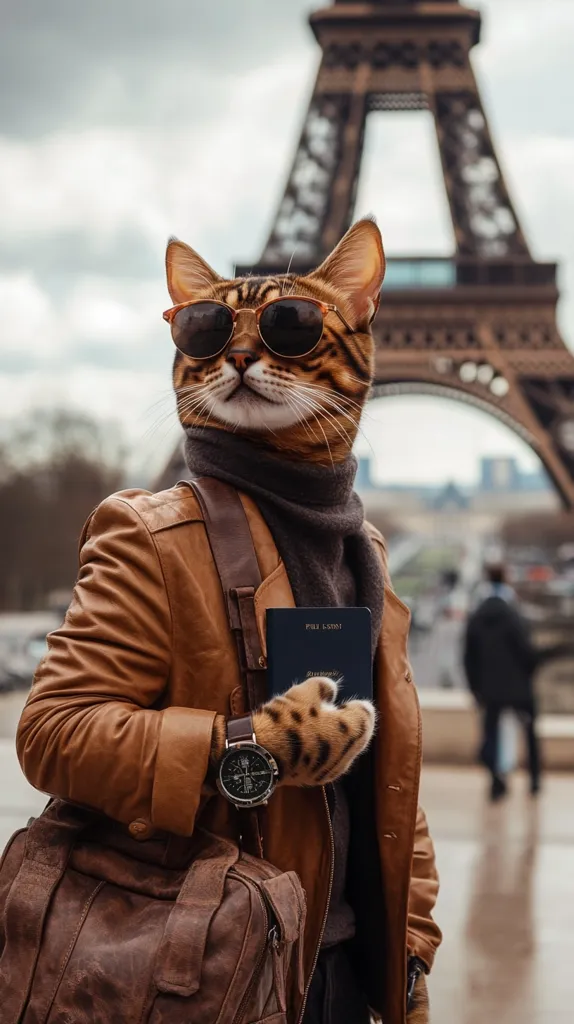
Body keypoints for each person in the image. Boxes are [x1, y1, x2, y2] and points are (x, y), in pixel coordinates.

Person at [16, 220, 441, 1022]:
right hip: (205, 971)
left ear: (360, 315)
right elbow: (53, 731)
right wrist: (253, 751)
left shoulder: (364, 550)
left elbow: (388, 778)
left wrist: (411, 949)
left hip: (343, 980)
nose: (243, 356)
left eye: (292, 326)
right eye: (207, 331)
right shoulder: (150, 532)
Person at [464, 562, 541, 800]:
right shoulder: (515, 614)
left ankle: (497, 782)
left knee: (491, 735)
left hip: (490, 688)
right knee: (529, 734)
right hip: (518, 687)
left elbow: (468, 656)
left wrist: (475, 688)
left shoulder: (477, 615)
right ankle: (534, 780)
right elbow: (526, 652)